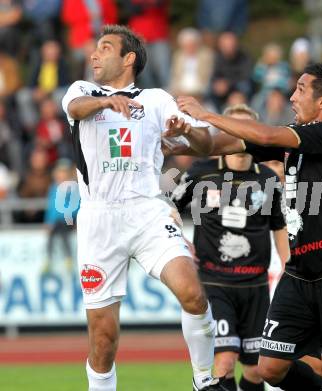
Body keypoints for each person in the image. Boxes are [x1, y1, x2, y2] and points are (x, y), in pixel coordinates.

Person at [174, 63, 322, 391]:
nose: (292, 96)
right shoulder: (296, 139)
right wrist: (172, 143)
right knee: (269, 367)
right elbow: (228, 144)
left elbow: (266, 134)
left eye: (300, 89)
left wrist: (207, 114)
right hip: (300, 274)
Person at [61, 24, 227, 391]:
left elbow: (202, 143)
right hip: (99, 218)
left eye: (104, 48)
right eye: (95, 48)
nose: (94, 54)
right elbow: (75, 108)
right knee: (103, 339)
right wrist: (106, 101)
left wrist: (186, 127)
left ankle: (204, 380)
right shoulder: (83, 91)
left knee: (192, 293)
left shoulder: (155, 98)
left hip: (147, 211)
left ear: (128, 58)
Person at [171, 104, 290, 391]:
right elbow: (167, 206)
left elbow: (278, 225)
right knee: (224, 362)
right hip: (214, 282)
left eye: (245, 129)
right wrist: (179, 238)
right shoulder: (201, 172)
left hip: (255, 285)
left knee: (256, 370)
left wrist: (289, 267)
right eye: (231, 128)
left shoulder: (268, 178)